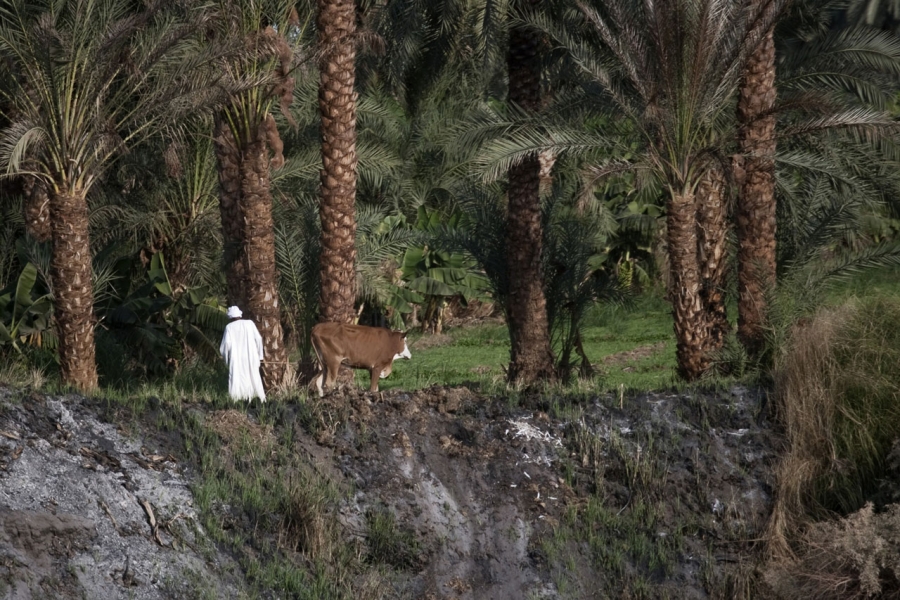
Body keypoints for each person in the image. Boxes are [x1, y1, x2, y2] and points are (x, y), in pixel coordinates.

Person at [219, 306, 266, 401]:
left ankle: (237, 400)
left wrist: (225, 358)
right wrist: (260, 356)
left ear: (230, 317)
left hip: (236, 359)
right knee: (253, 376)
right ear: (239, 315)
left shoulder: (229, 327)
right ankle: (259, 399)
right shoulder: (250, 323)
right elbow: (259, 339)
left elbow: (225, 345)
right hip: (251, 357)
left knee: (237, 377)